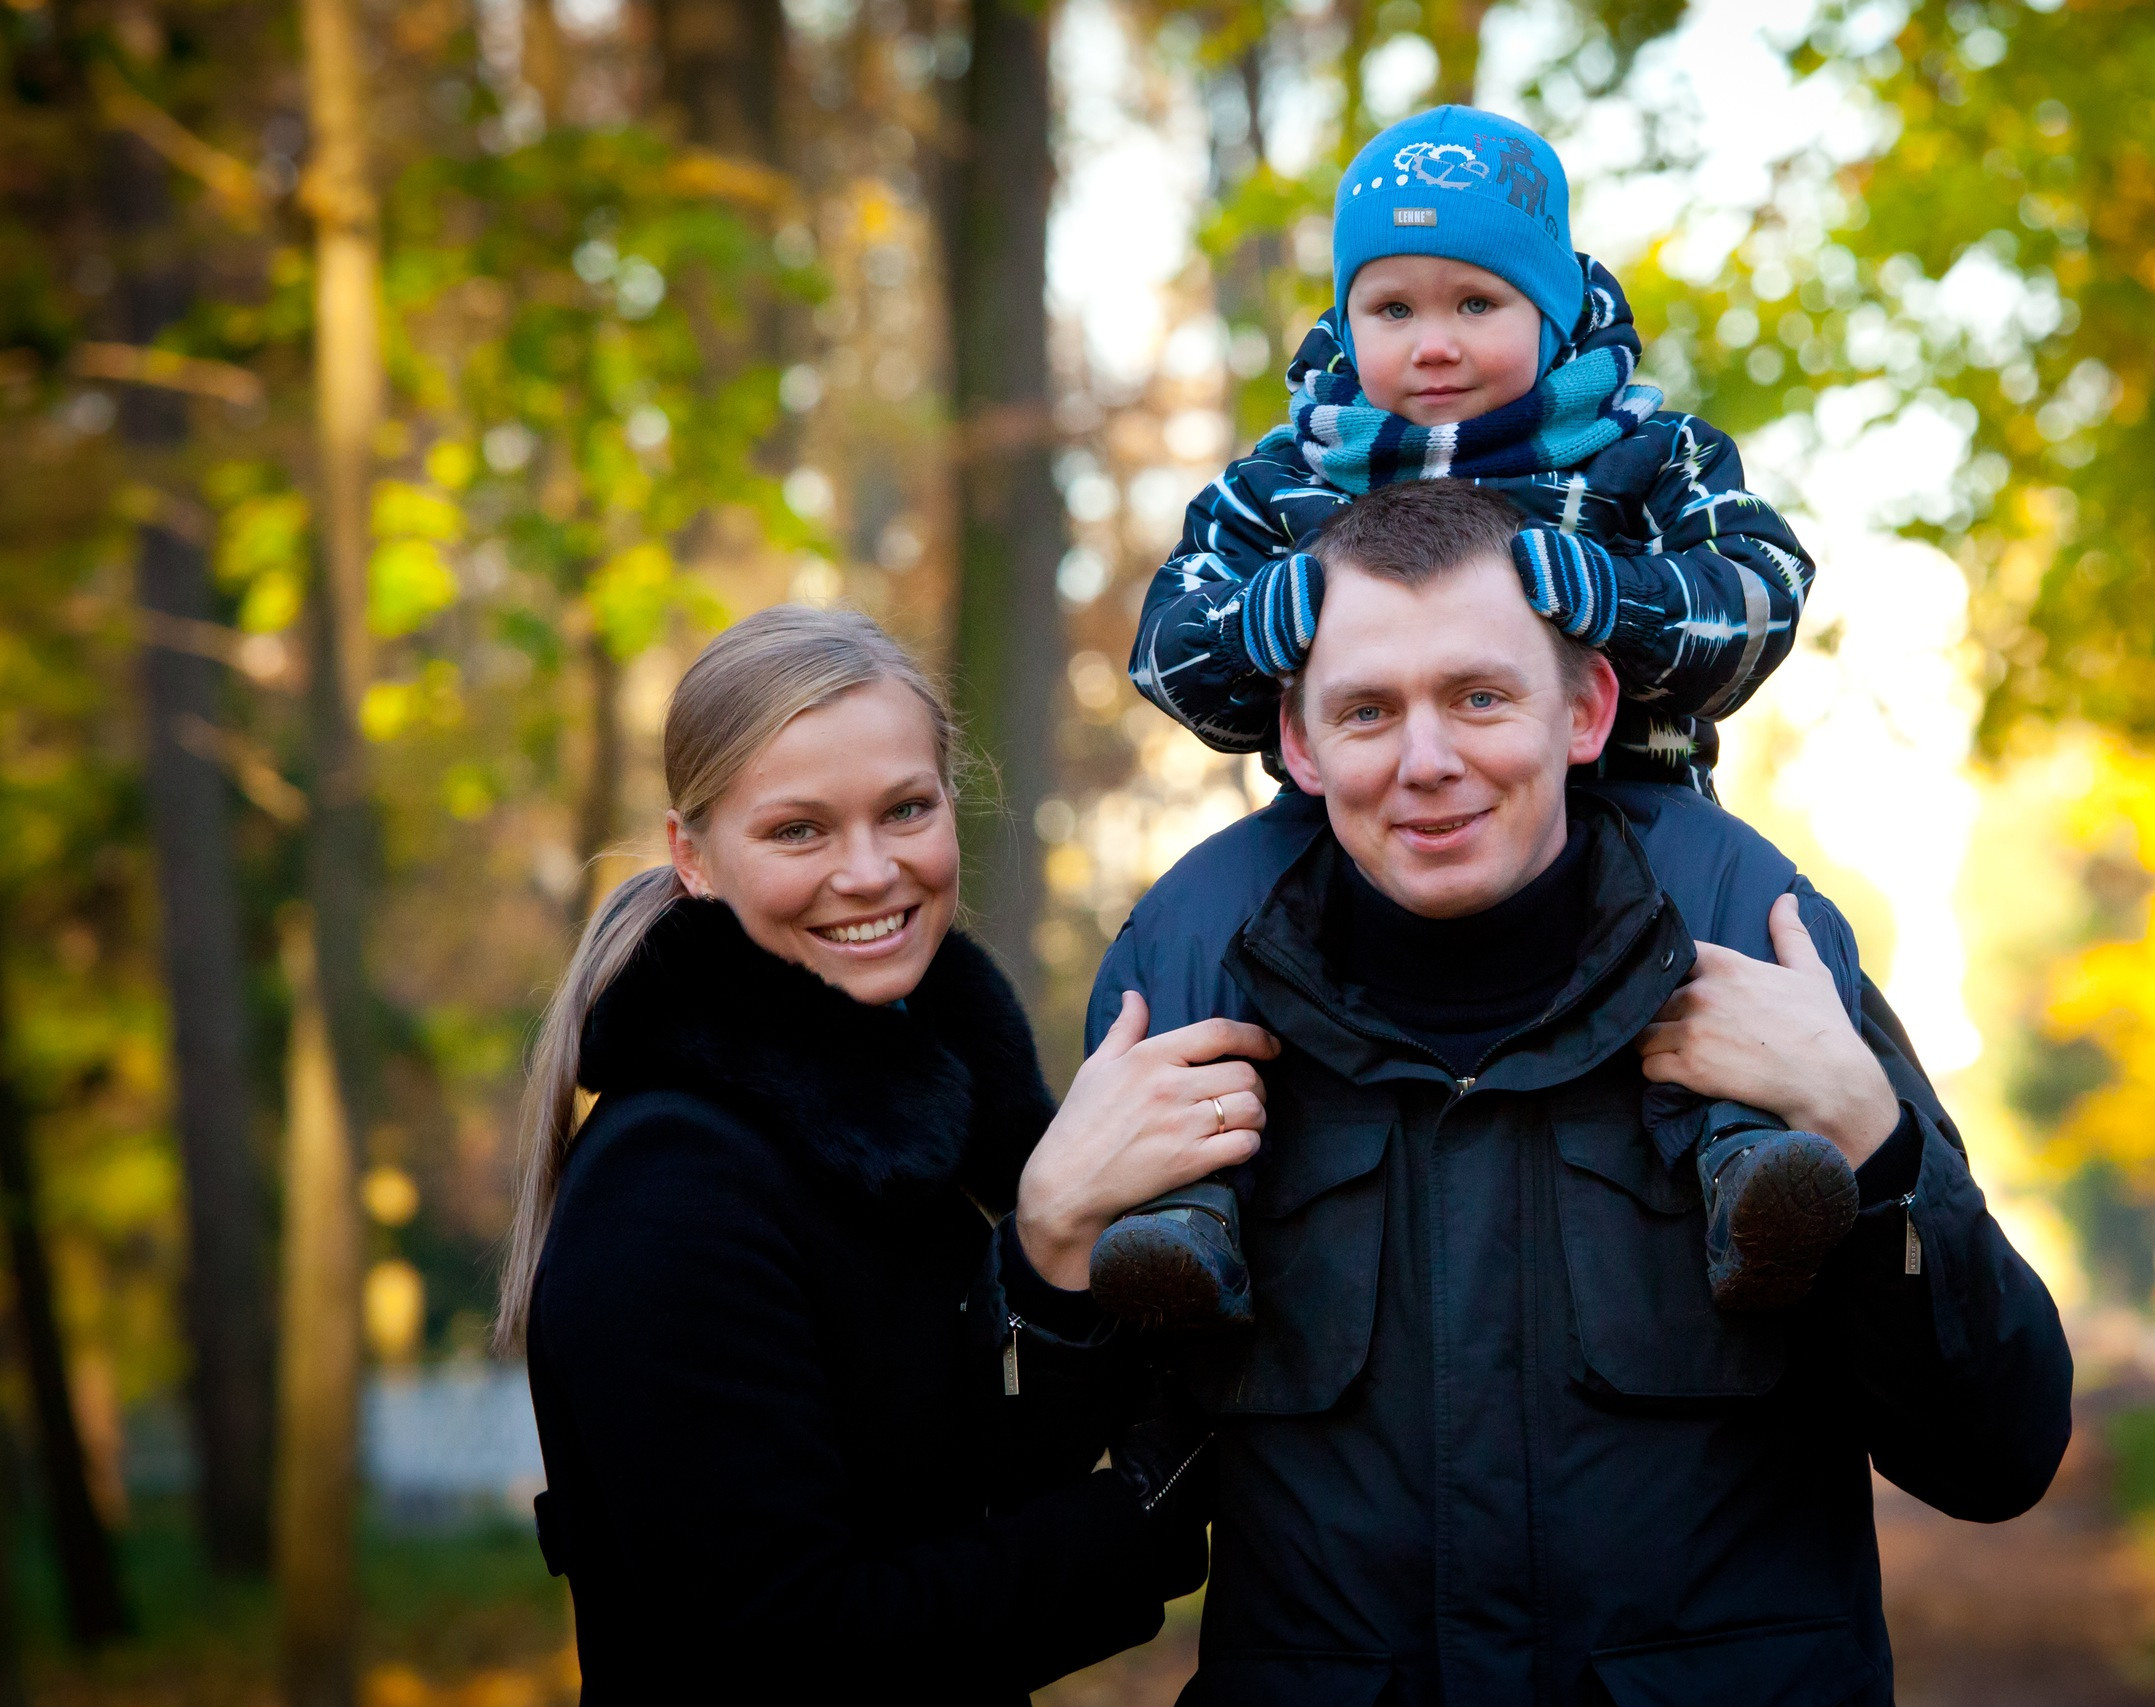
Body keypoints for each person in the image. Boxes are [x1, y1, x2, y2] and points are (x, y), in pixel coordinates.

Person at [1071, 482, 2072, 1703]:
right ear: (1299, 743)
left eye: (1479, 698)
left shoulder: (1772, 974)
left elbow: (1997, 1454)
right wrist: (1043, 1247)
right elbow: (1047, 1504)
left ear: (1587, 709)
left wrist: (1873, 1143)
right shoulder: (1186, 1026)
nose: (1427, 762)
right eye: (1368, 711)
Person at [1097, 105, 1837, 1326]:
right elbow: (1163, 654)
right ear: (1346, 320)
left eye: (1476, 303)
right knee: (1198, 918)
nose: (1432, 344)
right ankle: (1186, 1208)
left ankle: (1749, 1163)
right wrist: (1258, 625)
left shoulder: (1644, 455)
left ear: (1552, 306)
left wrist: (1623, 600)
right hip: (1350, 819)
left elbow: (1763, 596)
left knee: (1737, 907)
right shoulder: (1287, 479)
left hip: (1631, 806)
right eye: (1392, 309)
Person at [497, 606, 1276, 1703]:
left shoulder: (897, 1132)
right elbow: (794, 1650)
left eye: (906, 809)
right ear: (693, 856)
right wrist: (1138, 1518)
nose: (869, 872)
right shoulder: (672, 1184)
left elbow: (942, 1483)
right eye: (799, 831)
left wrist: (1053, 1245)